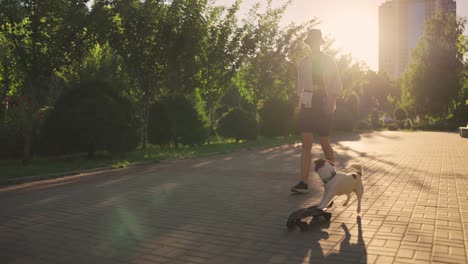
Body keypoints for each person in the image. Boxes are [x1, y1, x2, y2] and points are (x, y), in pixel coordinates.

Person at [291, 29, 342, 193]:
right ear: (309, 43)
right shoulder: (303, 62)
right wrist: (300, 105)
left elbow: (336, 82)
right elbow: (300, 86)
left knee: (325, 142)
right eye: (311, 41)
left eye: (316, 41)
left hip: (324, 102)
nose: (314, 44)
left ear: (320, 43)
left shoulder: (329, 61)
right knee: (306, 141)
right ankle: (303, 182)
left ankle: (331, 181)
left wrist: (331, 101)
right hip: (307, 102)